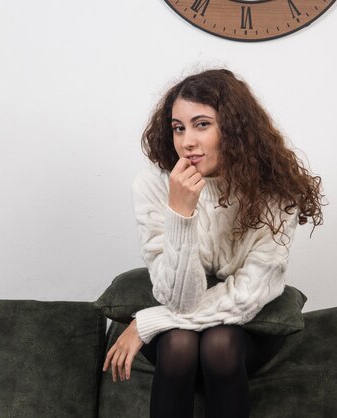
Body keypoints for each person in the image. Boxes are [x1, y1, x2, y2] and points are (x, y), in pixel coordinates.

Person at [103, 68, 324, 418]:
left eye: (202, 124)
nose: (186, 141)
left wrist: (147, 322)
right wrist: (180, 213)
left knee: (220, 343)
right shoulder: (155, 186)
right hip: (177, 329)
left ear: (235, 130)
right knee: (179, 343)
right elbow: (178, 297)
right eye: (179, 127)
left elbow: (247, 296)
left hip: (246, 332)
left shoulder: (275, 194)